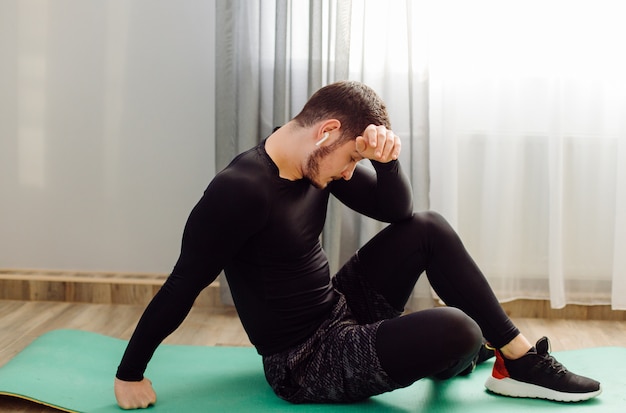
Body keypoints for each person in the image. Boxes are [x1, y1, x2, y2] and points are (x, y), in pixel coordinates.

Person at [114, 81, 601, 409]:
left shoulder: (314, 158)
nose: (351, 173)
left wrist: (385, 163)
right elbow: (183, 284)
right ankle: (467, 350)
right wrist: (129, 374)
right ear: (327, 132)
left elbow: (400, 214)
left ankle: (517, 359)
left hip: (340, 307)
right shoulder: (240, 190)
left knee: (428, 227)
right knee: (460, 331)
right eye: (351, 159)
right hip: (305, 361)